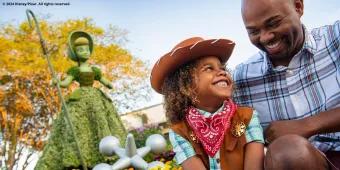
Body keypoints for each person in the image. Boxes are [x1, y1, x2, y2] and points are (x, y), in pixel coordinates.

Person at [233, 0, 340, 169]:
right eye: (254, 31)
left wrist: (307, 125)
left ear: (298, 7)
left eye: (273, 23)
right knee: (287, 152)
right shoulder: (241, 80)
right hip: (298, 163)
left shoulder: (335, 39)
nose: (265, 37)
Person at [150, 37, 264, 170]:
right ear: (185, 85)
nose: (222, 72)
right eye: (209, 69)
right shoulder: (179, 132)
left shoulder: (247, 117)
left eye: (222, 68)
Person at [35, 31, 127, 169]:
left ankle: (108, 153)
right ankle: (84, 156)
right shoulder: (74, 70)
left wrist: (108, 83)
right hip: (81, 98)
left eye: (86, 49)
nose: (85, 51)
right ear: (75, 53)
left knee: (100, 121)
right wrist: (57, 82)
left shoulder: (95, 70)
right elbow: (66, 83)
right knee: (81, 125)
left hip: (96, 98)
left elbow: (103, 80)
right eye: (80, 49)